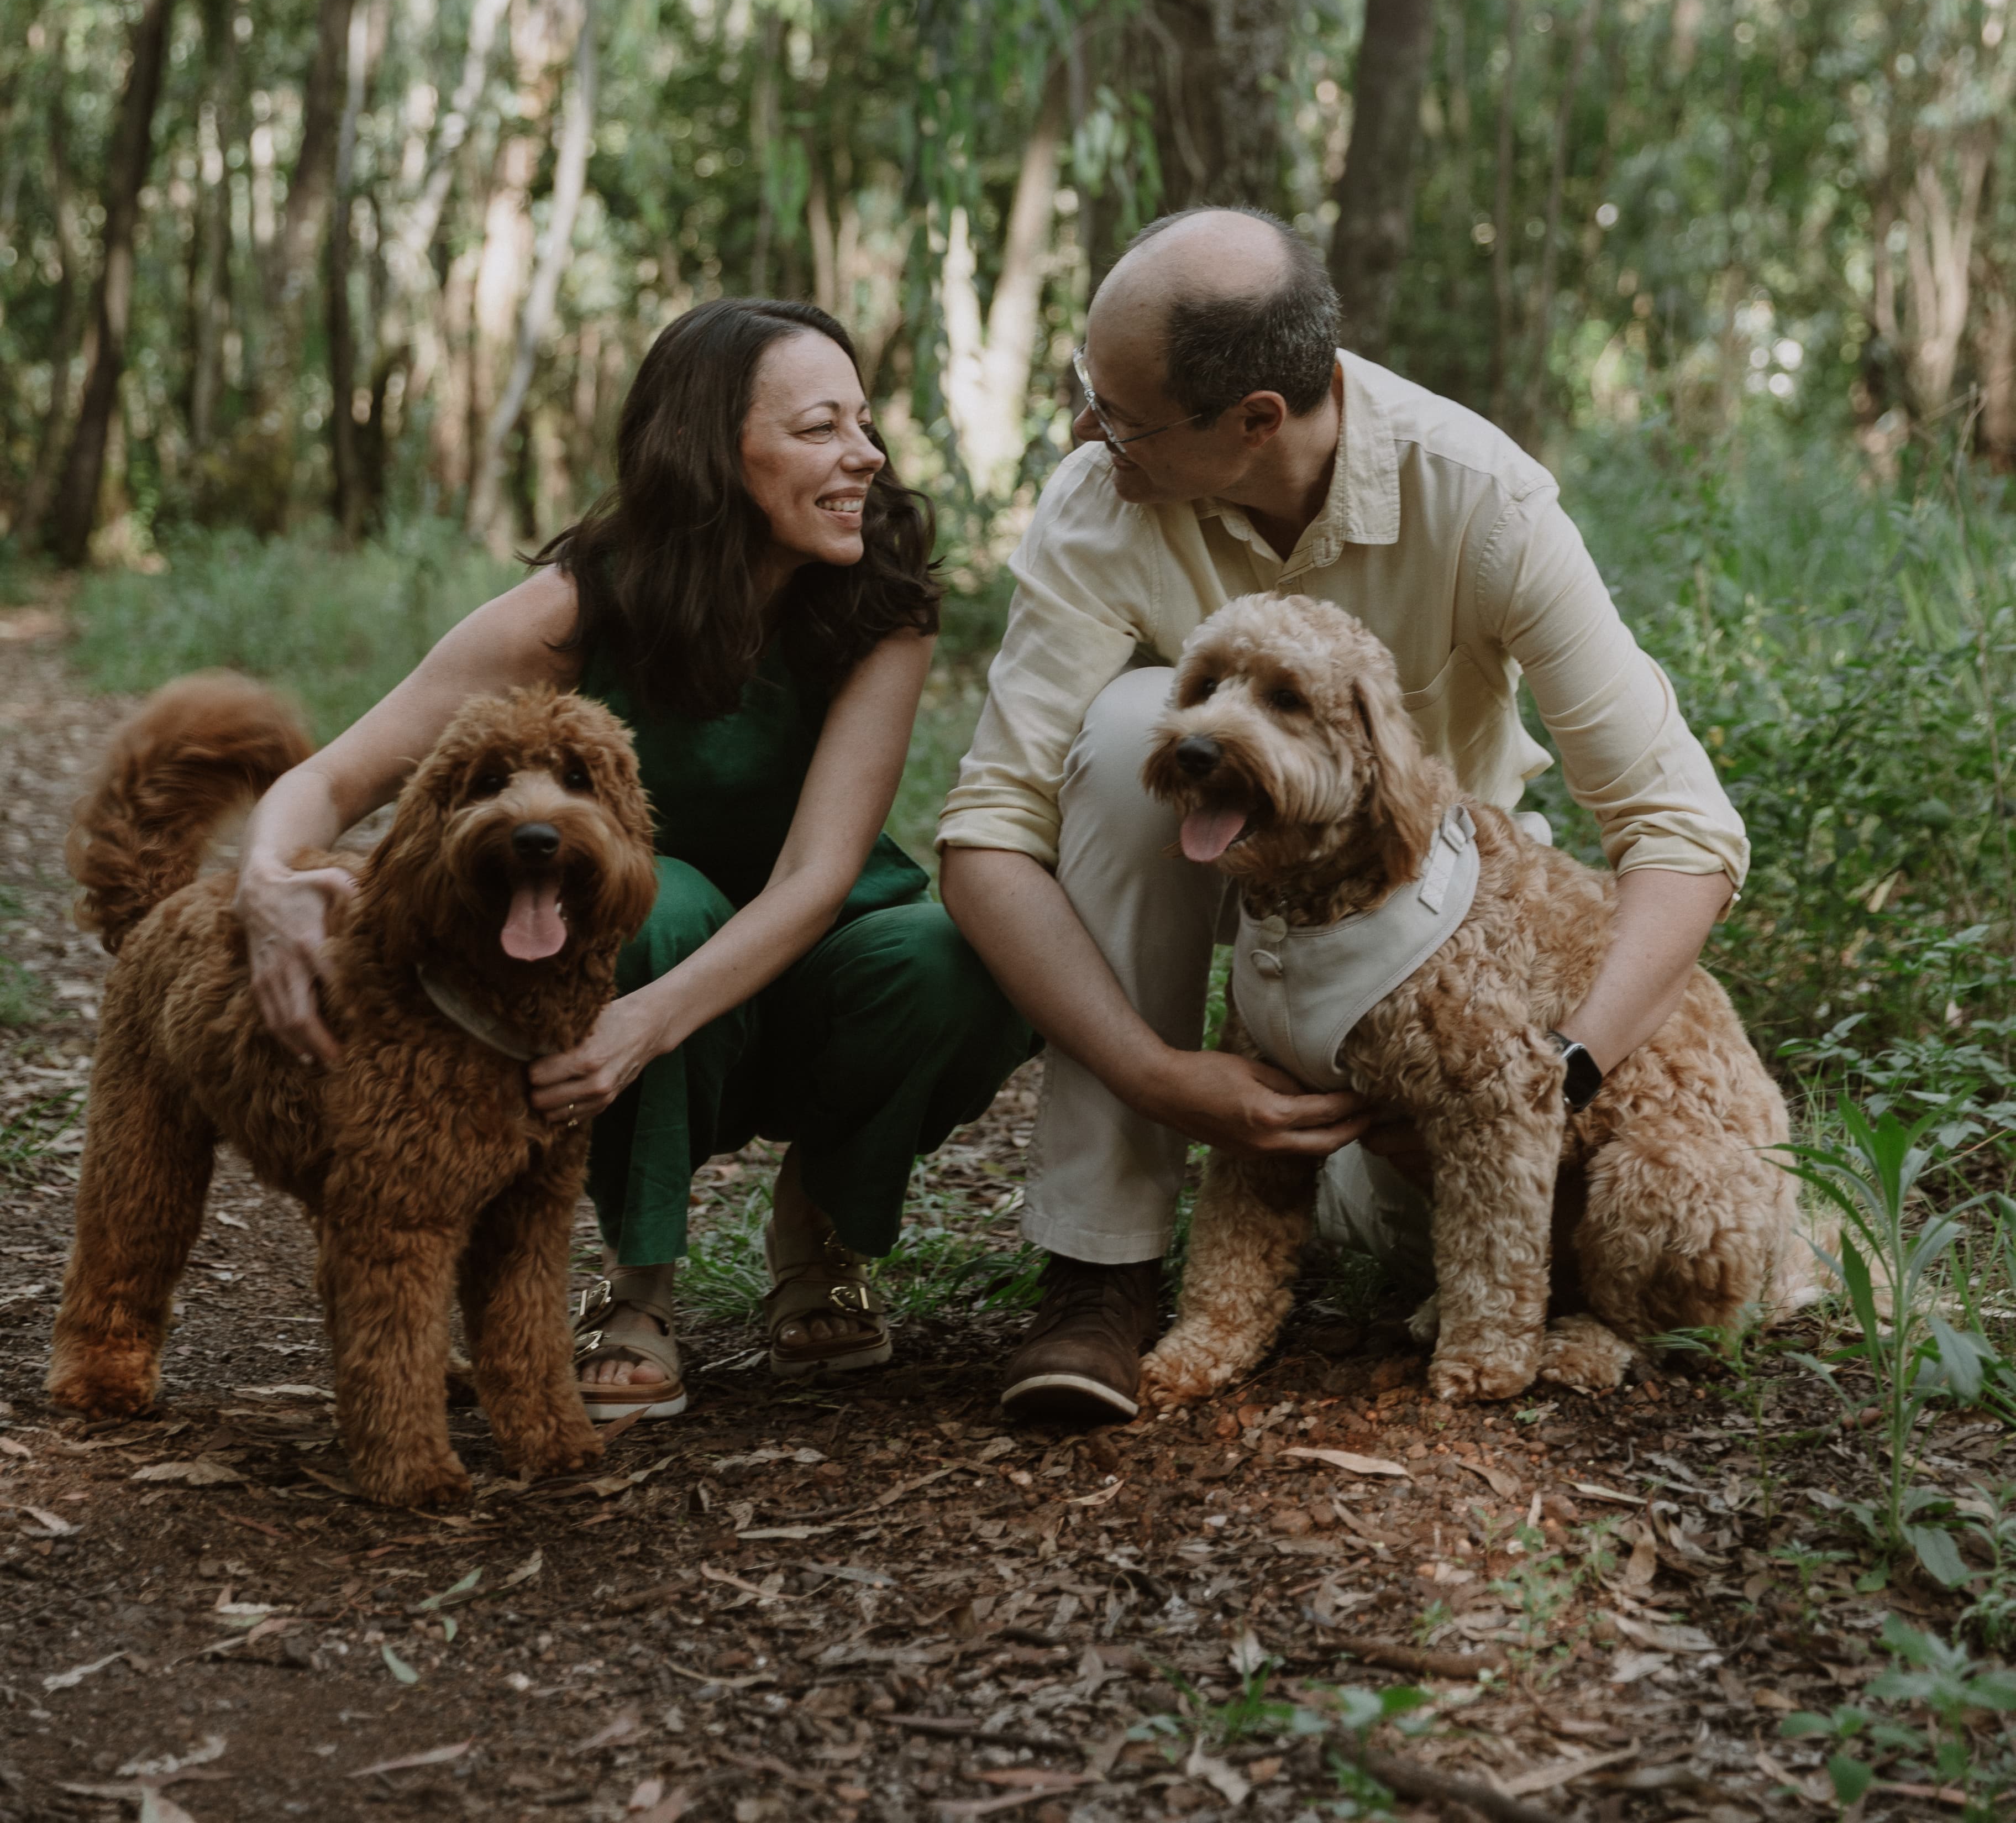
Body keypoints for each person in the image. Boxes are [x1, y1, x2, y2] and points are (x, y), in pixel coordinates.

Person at [936, 207, 1750, 1427]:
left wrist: (1562, 1071)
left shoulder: (1482, 500)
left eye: (1120, 414)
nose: (1083, 434)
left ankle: (1417, 1218)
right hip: (1222, 889)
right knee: (1130, 731)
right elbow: (988, 832)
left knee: (1443, 1219)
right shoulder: (1099, 497)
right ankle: (1100, 1270)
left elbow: (1682, 829)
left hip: (1435, 937)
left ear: (1256, 419)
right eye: (1083, 393)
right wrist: (1157, 1076)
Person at [236, 299, 1032, 1418]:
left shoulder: (879, 598)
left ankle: (814, 1229)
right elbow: (330, 779)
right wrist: (265, 882)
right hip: (640, 944)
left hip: (816, 954)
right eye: (820, 428)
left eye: (864, 423)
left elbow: (816, 879)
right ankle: (636, 1282)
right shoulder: (574, 607)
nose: (865, 454)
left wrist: (645, 1023)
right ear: (712, 451)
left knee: (955, 953)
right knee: (655, 909)